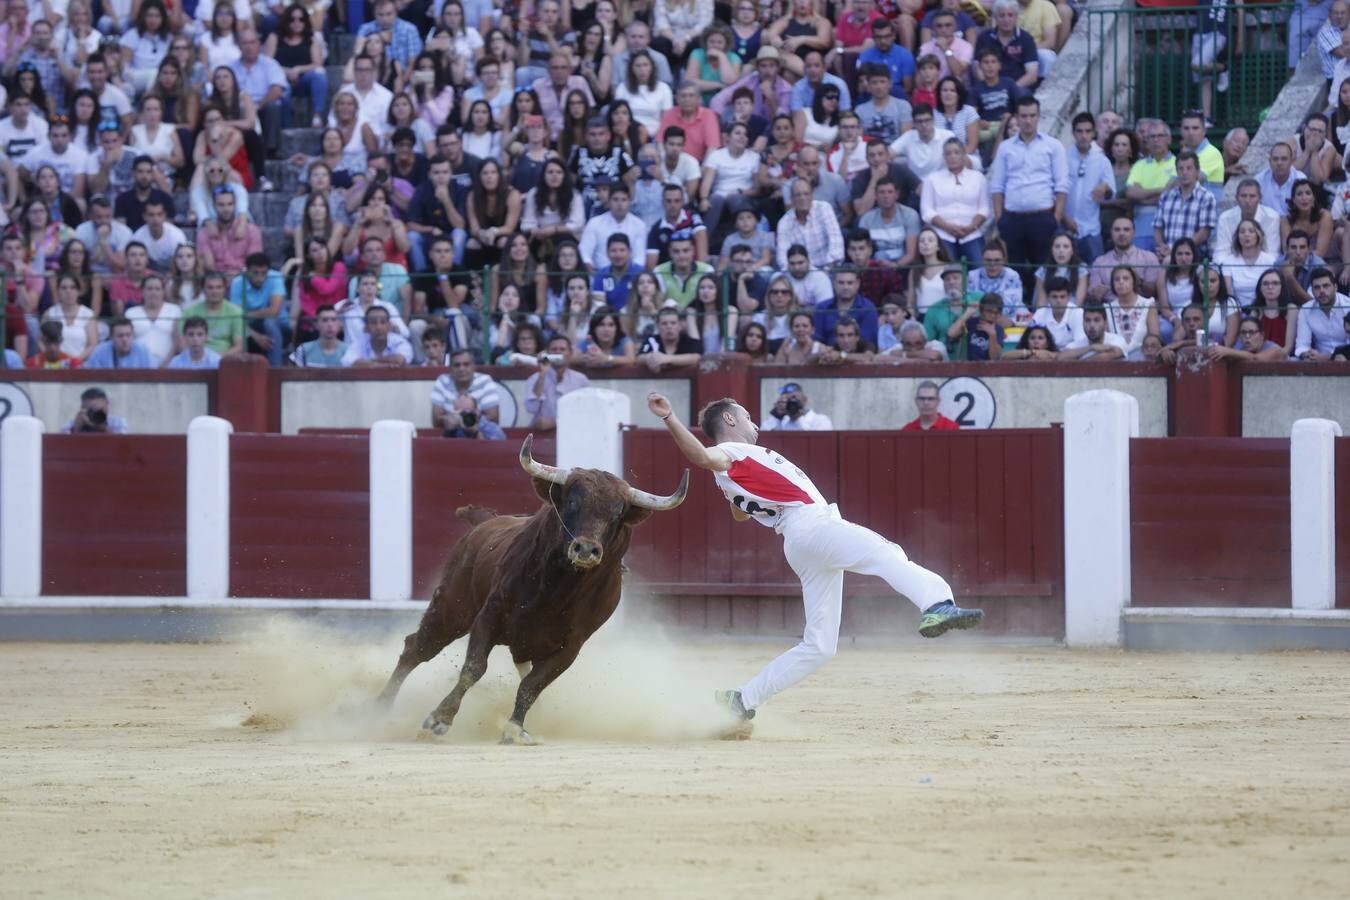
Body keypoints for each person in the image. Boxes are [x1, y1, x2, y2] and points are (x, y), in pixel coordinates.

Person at [645, 390, 981, 721]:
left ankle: (743, 699)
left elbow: (740, 512)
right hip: (811, 525)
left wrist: (744, 491)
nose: (755, 423)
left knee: (820, 646)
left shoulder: (729, 473)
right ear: (730, 419)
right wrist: (668, 417)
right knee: (886, 553)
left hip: (797, 542)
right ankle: (937, 604)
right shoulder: (731, 451)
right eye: (747, 416)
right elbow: (703, 458)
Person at [989, 95, 1066, 308]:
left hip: (1043, 218)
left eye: (1032, 116)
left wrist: (1055, 218)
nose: (1028, 120)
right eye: (1023, 116)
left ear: (1039, 116)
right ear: (1017, 117)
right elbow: (997, 186)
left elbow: (1061, 187)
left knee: (1043, 268)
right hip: (1012, 219)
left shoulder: (1053, 146)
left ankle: (1041, 310)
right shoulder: (1005, 147)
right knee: (1013, 269)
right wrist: (1000, 219)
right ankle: (1017, 310)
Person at [920, 138, 990, 263]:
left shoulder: (978, 177)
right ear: (943, 157)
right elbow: (927, 211)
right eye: (948, 153)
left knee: (978, 268)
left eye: (956, 152)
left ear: (964, 155)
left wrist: (970, 227)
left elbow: (984, 209)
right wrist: (947, 227)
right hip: (942, 234)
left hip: (971, 233)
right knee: (947, 272)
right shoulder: (932, 179)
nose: (952, 157)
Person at [1064, 112, 1114, 263]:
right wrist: (1065, 219)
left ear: (1094, 133)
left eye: (1087, 131)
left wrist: (1105, 187)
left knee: (1097, 274)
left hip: (1091, 229)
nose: (1084, 136)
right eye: (1079, 131)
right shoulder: (1063, 157)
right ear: (1073, 133)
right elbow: (1054, 192)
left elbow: (1111, 193)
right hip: (1066, 227)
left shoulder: (1102, 160)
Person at [1154, 151, 1217, 261]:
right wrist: (1161, 246)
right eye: (1180, 169)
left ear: (1197, 172)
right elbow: (1158, 228)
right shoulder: (1166, 197)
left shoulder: (1206, 197)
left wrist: (1176, 251)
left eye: (1189, 168)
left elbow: (1203, 234)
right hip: (1167, 253)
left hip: (1194, 254)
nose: (1184, 172)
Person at [229, 253, 289, 365]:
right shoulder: (237, 282)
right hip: (251, 327)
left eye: (264, 273)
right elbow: (236, 317)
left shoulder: (275, 277)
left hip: (280, 326)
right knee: (237, 325)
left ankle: (276, 369)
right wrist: (256, 336)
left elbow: (274, 311)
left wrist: (245, 315)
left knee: (269, 322)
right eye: (255, 273)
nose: (260, 278)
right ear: (247, 271)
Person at [523, 335, 590, 431]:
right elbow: (531, 408)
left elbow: (586, 413)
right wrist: (542, 374)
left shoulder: (581, 380)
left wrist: (555, 423)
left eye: (562, 349)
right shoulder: (534, 379)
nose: (558, 352)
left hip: (574, 433)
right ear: (547, 354)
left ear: (570, 354)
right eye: (554, 349)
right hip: (542, 438)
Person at [181, 271, 245, 358]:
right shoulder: (190, 312)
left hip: (224, 361)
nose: (215, 291)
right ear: (203, 289)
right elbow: (182, 342)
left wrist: (215, 359)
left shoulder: (236, 312)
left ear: (225, 289)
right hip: (195, 361)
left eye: (219, 287)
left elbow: (239, 346)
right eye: (210, 288)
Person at [431, 349, 504, 424]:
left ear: (474, 367)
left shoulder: (485, 381)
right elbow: (436, 419)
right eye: (456, 365)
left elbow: (493, 418)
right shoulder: (442, 381)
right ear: (450, 368)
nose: (461, 369)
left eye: (466, 364)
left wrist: (458, 421)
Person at [1212, 178, 1281, 258]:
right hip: (1232, 266)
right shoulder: (1225, 218)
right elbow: (1221, 253)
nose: (1247, 200)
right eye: (1243, 196)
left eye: (1252, 196)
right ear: (1236, 198)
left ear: (1260, 198)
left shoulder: (1272, 217)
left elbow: (1272, 254)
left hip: (1264, 266)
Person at [1296, 268, 1350, 359]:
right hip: (1317, 362)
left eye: (1326, 286)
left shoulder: (1348, 306)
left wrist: (1328, 357)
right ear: (1312, 291)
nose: (1321, 291)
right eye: (1317, 287)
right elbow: (1302, 345)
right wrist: (1307, 354)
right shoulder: (1306, 310)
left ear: (1335, 287)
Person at [343, 304, 413, 367]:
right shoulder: (359, 342)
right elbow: (349, 361)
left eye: (383, 322)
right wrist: (383, 365)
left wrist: (370, 362)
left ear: (389, 326)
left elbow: (400, 360)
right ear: (366, 327)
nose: (378, 327)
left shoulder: (400, 341)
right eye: (373, 323)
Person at [639, 306, 702, 371]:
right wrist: (649, 358)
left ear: (680, 326)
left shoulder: (689, 341)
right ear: (658, 326)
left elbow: (696, 357)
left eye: (673, 323)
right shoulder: (651, 340)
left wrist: (667, 359)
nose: (669, 327)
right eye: (664, 323)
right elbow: (640, 357)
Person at [1059, 304, 1127, 361]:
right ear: (1082, 323)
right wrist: (1091, 348)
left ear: (1105, 323)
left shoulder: (1117, 340)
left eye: (1096, 320)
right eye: (1088, 320)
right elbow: (1061, 358)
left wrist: (1078, 364)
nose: (1092, 325)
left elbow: (1115, 353)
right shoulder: (1076, 345)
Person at [1207, 317, 1289, 363]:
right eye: (1243, 332)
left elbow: (1255, 359)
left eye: (1251, 332)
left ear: (1262, 335)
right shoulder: (1239, 347)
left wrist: (1227, 351)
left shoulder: (1274, 350)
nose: (1247, 336)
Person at [84, 316, 153, 368]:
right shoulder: (100, 351)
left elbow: (153, 378)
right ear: (111, 337)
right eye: (120, 336)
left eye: (128, 335)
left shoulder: (143, 351)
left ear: (133, 335)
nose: (125, 340)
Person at [762, 382, 833, 431]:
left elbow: (815, 440)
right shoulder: (782, 421)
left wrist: (797, 418)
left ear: (805, 400)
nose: (791, 402)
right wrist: (777, 415)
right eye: (787, 400)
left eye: (794, 398)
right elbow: (763, 435)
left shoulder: (821, 420)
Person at [62, 387, 130, 433]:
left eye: (99, 409)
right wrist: (76, 428)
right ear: (82, 408)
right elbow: (62, 446)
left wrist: (101, 426)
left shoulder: (117, 422)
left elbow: (122, 444)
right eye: (91, 410)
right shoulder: (72, 423)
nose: (96, 414)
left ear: (107, 404)